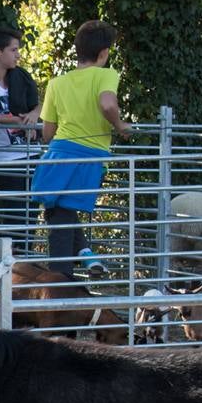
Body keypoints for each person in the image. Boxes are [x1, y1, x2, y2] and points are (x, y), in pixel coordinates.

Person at [30, 20, 132, 278]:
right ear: (104, 53)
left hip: (58, 154)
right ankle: (64, 280)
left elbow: (47, 132)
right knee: (60, 218)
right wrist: (120, 125)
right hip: (88, 157)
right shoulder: (106, 75)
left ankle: (78, 263)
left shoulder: (56, 83)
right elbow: (108, 105)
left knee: (58, 214)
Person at [0, 26, 42, 227]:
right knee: (15, 216)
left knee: (31, 217)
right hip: (8, 160)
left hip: (33, 154)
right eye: (13, 50)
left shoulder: (21, 77)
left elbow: (37, 104)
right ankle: (7, 247)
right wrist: (12, 120)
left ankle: (25, 248)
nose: (18, 55)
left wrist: (34, 115)